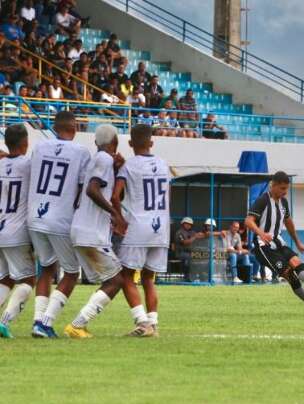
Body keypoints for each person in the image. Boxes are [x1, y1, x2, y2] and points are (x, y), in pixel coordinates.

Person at [29, 111, 91, 338]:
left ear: (55, 128)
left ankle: (37, 319)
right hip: (60, 218)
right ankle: (45, 323)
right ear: (74, 128)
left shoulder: (39, 147)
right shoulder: (81, 152)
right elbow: (83, 189)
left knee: (46, 268)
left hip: (34, 216)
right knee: (72, 272)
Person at [245, 172, 304, 316]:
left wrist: (297, 241)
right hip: (263, 247)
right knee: (291, 276)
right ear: (274, 185)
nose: (285, 192)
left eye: (286, 189)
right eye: (282, 188)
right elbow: (248, 220)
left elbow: (288, 222)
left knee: (297, 262)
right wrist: (261, 233)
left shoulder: (283, 203)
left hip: (279, 243)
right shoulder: (262, 200)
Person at [65, 125, 127, 338]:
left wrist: (118, 171)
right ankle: (77, 324)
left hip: (82, 229)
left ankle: (76, 323)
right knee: (117, 280)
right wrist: (115, 214)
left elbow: (107, 191)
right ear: (115, 143)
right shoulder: (104, 159)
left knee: (112, 279)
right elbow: (92, 190)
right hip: (91, 231)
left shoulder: (99, 160)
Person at [112, 124, 171, 337]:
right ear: (152, 142)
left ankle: (142, 322)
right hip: (161, 226)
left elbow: (114, 195)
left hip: (138, 226)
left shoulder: (128, 167)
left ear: (130, 144)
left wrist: (118, 219)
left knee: (125, 276)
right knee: (148, 277)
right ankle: (153, 324)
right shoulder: (164, 165)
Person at [0, 124, 36, 338]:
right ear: (26, 143)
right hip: (16, 230)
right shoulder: (29, 165)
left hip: (1, 226)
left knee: (5, 278)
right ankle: (4, 322)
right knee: (28, 279)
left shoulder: (1, 164)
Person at [174, 217, 202, 283]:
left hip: (191, 252)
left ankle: (201, 277)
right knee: (189, 258)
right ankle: (188, 278)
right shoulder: (179, 232)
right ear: (183, 224)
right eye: (187, 224)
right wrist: (195, 237)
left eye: (190, 224)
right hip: (181, 253)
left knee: (201, 257)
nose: (188, 225)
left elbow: (201, 235)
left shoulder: (192, 232)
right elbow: (185, 243)